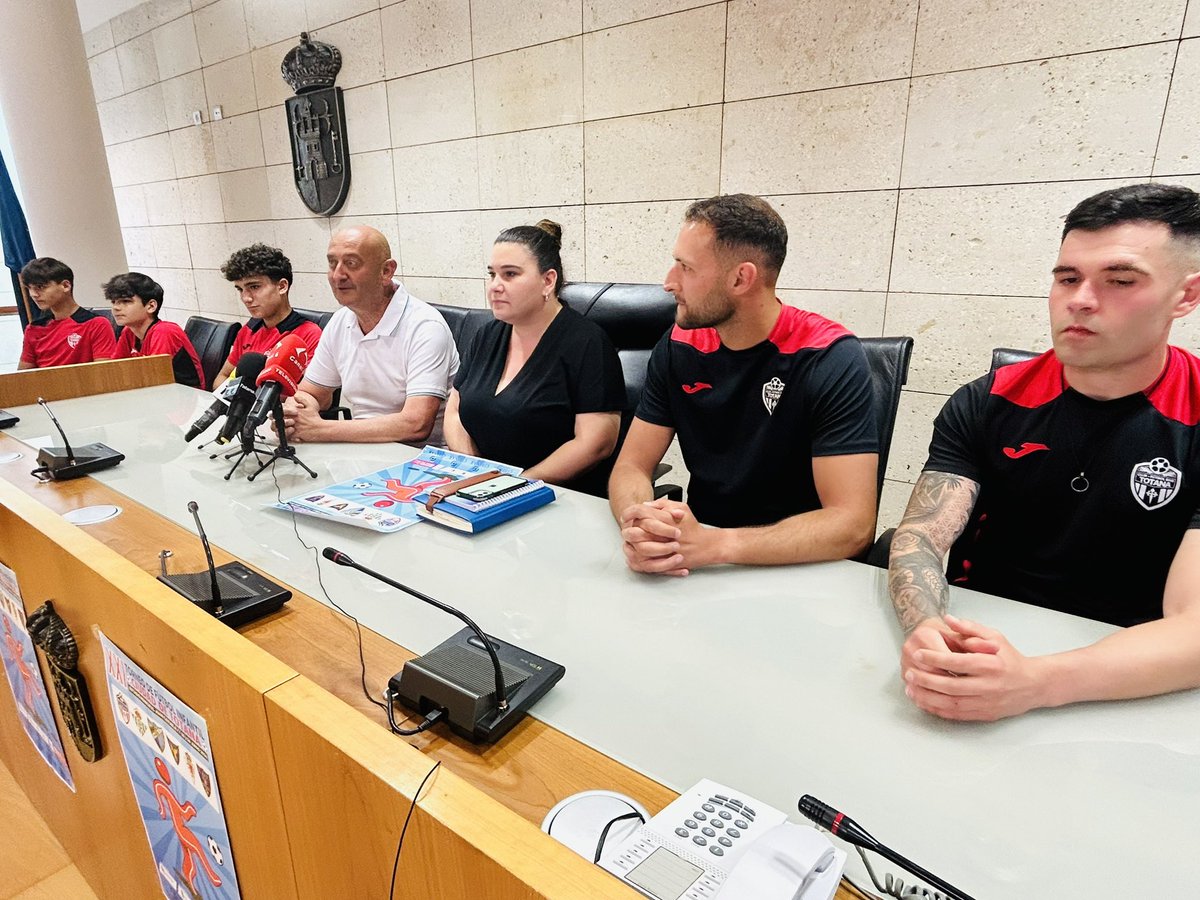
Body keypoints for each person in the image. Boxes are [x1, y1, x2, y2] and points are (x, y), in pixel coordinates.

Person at [889, 182, 1200, 722]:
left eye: (1120, 280)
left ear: (1187, 295)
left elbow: (1192, 624)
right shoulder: (989, 398)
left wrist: (1039, 682)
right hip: (979, 635)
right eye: (1067, 278)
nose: (1080, 299)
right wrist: (926, 627)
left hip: (1123, 675)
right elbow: (919, 536)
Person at [608, 194, 879, 576]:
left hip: (800, 567)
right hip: (700, 562)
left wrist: (716, 545)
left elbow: (851, 526)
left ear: (741, 278)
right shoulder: (678, 345)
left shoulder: (829, 355)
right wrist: (640, 522)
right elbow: (632, 466)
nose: (668, 282)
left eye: (685, 267)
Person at [444, 221, 625, 494]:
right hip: (480, 491)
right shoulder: (487, 334)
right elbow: (455, 408)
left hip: (557, 496)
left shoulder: (587, 343)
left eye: (510, 275)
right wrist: (475, 470)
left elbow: (595, 443)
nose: (495, 286)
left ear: (548, 281)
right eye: (492, 274)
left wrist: (516, 486)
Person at [281, 225, 458, 444]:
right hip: (363, 449)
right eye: (332, 263)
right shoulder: (340, 321)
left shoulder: (425, 326)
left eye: (351, 263)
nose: (337, 275)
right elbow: (312, 392)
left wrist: (319, 429)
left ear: (386, 271)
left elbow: (416, 424)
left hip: (420, 456)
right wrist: (295, 411)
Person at [212, 243, 323, 388]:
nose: (246, 298)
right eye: (240, 289)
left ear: (282, 286)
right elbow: (222, 377)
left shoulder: (309, 335)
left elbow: (310, 394)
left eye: (254, 287)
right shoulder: (248, 330)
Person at [104, 272, 205, 389]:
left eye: (126, 301)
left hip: (186, 400)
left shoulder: (165, 332)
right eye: (113, 302)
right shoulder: (128, 331)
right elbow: (114, 370)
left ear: (151, 306)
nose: (116, 307)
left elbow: (154, 380)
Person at [18, 257, 116, 369]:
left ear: (65, 286)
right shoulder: (34, 329)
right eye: (29, 288)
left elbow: (104, 372)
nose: (33, 294)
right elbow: (22, 377)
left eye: (40, 287)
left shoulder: (96, 324)